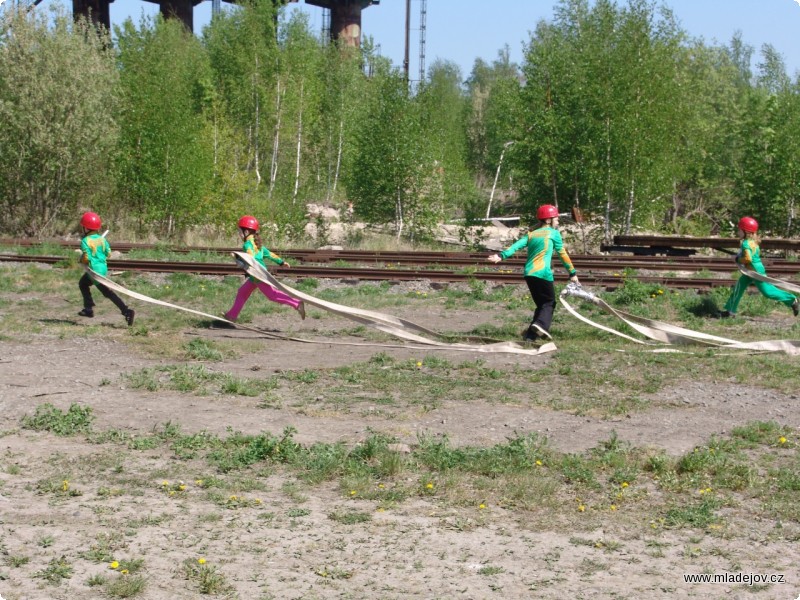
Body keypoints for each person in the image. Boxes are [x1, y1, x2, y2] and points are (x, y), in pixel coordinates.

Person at [488, 204, 579, 342]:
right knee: (549, 303)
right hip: (542, 273)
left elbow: (516, 246)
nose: (558, 220)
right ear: (548, 220)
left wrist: (501, 256)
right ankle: (540, 325)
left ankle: (530, 336)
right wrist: (572, 273)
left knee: (542, 305)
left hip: (529, 274)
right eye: (556, 218)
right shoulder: (553, 233)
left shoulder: (532, 234)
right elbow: (562, 254)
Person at [223, 215, 305, 322]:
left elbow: (250, 257)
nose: (239, 234)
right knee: (242, 292)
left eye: (239, 231)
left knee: (272, 295)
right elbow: (269, 254)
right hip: (256, 274)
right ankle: (232, 315)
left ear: (246, 232)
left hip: (258, 275)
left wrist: (237, 258)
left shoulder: (247, 244)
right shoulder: (258, 244)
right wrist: (281, 262)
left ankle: (297, 303)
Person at [720, 216, 799, 318]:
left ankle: (792, 300)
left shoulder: (746, 244)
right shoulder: (752, 242)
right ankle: (730, 311)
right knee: (738, 288)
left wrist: (736, 259)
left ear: (746, 231)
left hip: (754, 271)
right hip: (750, 271)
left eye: (739, 230)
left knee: (767, 292)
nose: (738, 232)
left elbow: (748, 259)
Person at [77, 212, 135, 326]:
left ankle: (126, 311)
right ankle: (89, 308)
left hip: (94, 271)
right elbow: (108, 253)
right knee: (89, 285)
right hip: (103, 269)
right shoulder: (102, 240)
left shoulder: (85, 241)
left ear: (86, 227)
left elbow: (86, 257)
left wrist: (82, 260)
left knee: (88, 286)